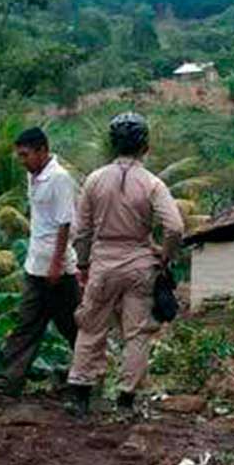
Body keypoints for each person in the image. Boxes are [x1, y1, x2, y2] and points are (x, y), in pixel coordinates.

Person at [64, 112, 184, 417]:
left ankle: (80, 394)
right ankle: (126, 400)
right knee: (137, 334)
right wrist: (165, 256)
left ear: (112, 144)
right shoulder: (152, 183)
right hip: (140, 265)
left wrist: (84, 264)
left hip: (104, 263)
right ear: (145, 145)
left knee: (91, 328)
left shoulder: (93, 180)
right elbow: (175, 227)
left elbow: (82, 231)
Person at [0, 127, 80, 399]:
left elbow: (65, 224)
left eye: (25, 155)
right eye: (20, 155)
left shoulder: (59, 179)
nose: (22, 160)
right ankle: (9, 381)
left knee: (72, 326)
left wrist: (56, 265)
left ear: (42, 150)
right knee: (27, 325)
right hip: (36, 266)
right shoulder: (33, 176)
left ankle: (88, 376)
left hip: (58, 270)